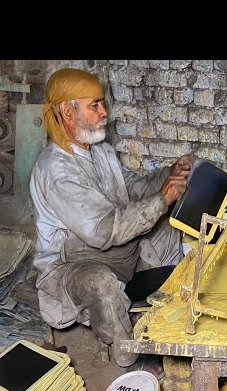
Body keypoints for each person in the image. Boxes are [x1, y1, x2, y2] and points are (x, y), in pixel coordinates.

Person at [29, 67, 195, 370]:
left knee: (170, 223)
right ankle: (129, 358)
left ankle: (170, 309)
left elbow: (131, 189)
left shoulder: (100, 151)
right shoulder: (55, 170)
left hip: (115, 251)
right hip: (71, 264)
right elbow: (104, 230)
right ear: (67, 112)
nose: (104, 112)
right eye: (94, 105)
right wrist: (162, 197)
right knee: (100, 283)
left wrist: (170, 174)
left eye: (101, 103)